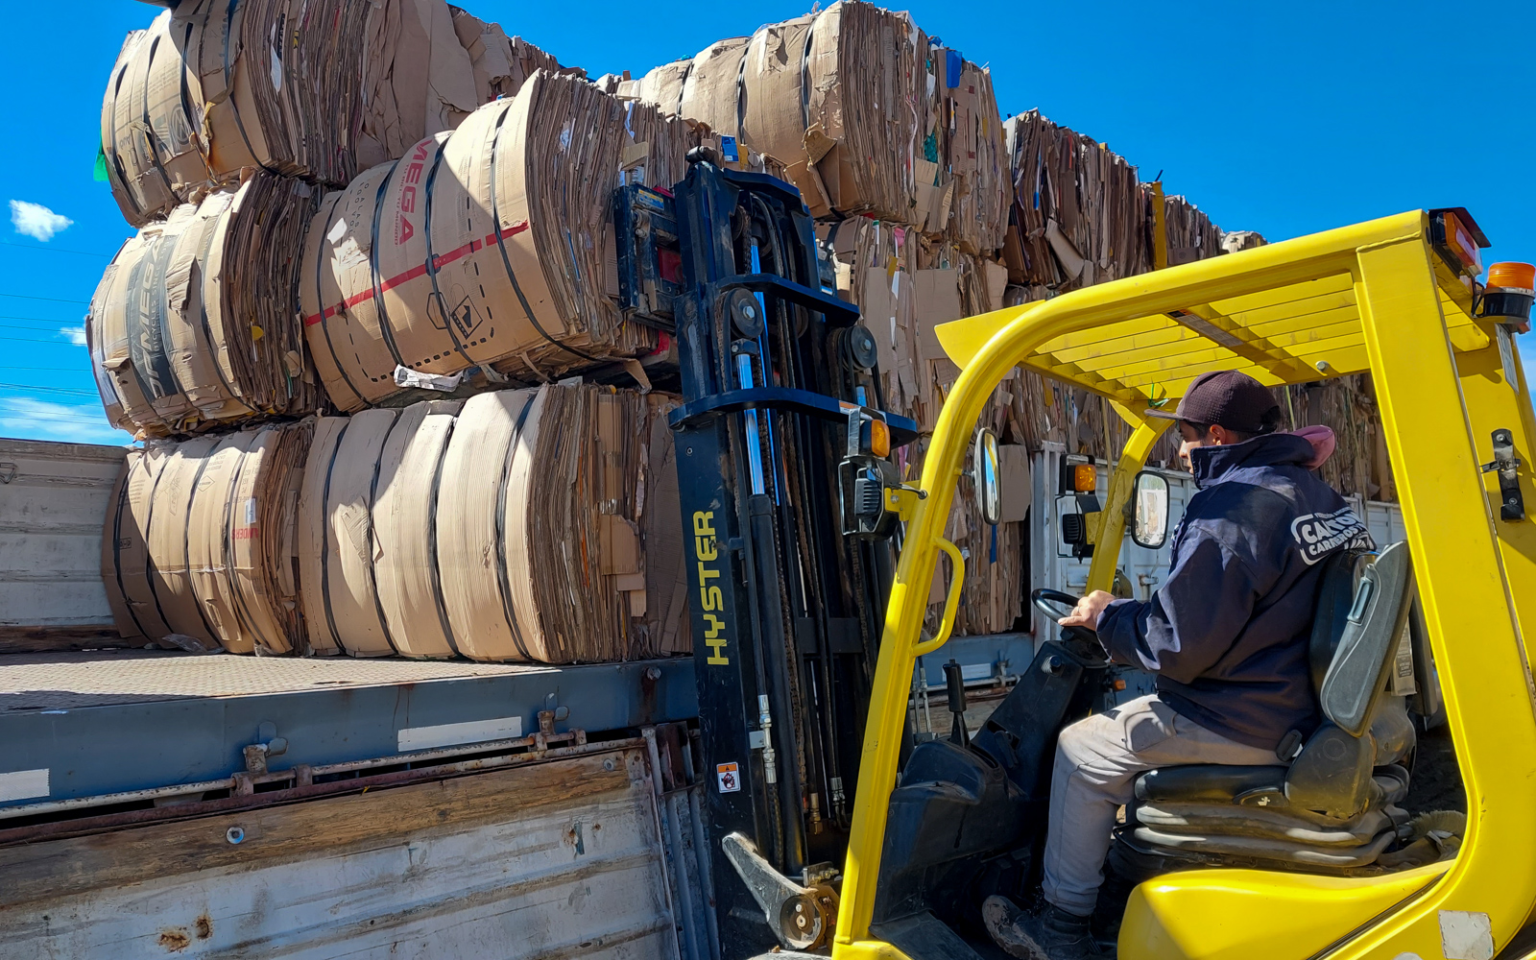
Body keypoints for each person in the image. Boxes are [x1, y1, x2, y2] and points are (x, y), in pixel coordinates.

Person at [984, 370, 1372, 960]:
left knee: (1082, 752)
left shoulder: (1234, 509)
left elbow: (1177, 646)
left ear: (1215, 435)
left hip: (1244, 718)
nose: (1182, 452)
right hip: (1299, 706)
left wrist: (1106, 619)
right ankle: (1117, 882)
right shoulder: (1319, 498)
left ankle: (1060, 928)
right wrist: (1120, 614)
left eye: (1185, 437)